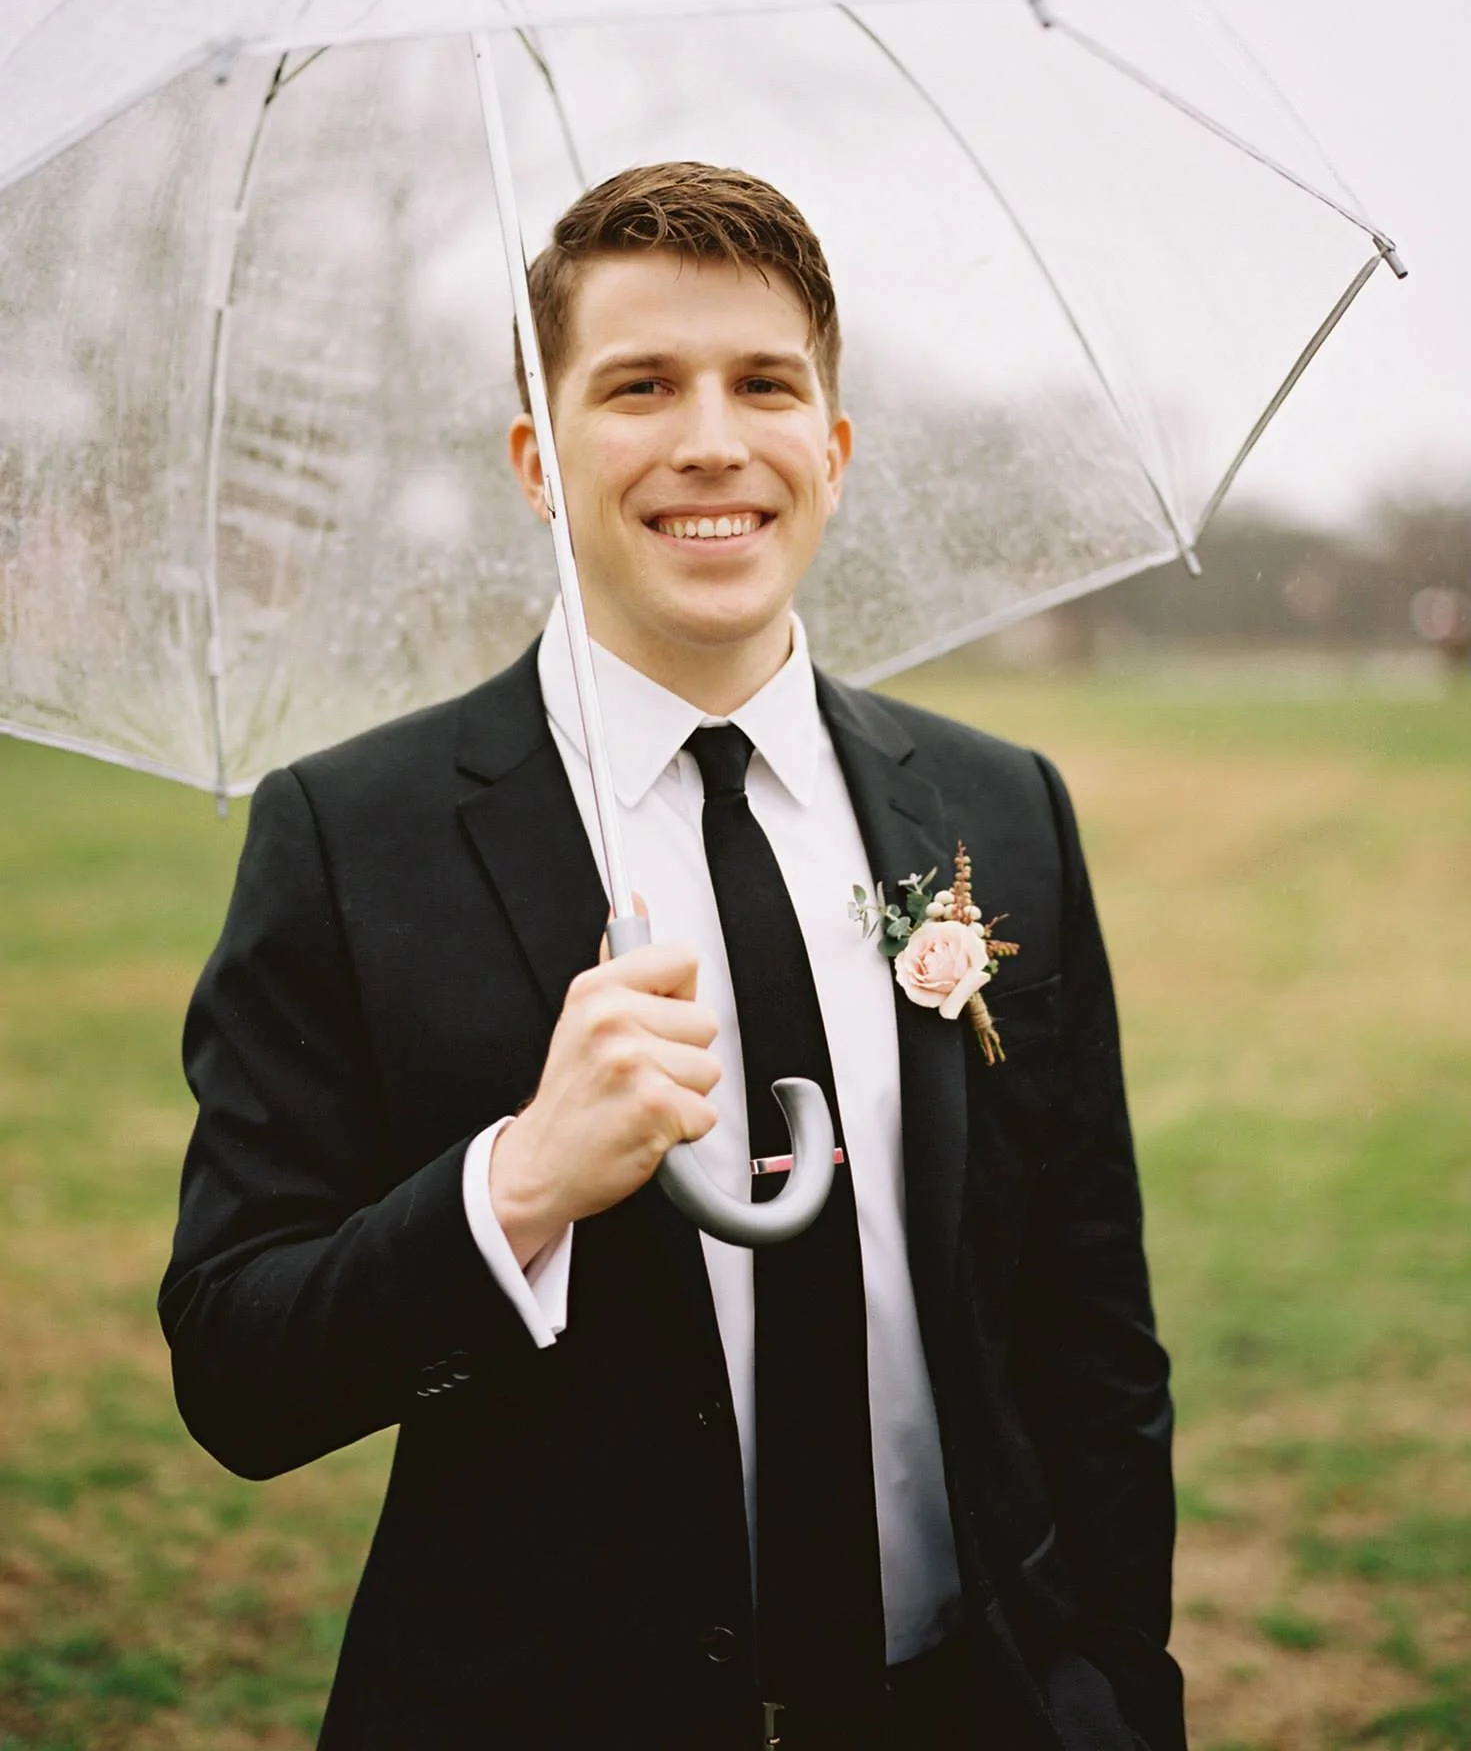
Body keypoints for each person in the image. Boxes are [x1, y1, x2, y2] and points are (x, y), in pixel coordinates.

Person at [161, 163, 1184, 1751]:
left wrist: (1113, 1685)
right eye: (637, 386)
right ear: (536, 462)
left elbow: (1087, 1325)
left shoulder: (999, 810)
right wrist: (516, 1185)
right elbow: (238, 1366)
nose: (711, 438)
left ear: (829, 449)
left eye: (763, 384)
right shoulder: (348, 837)